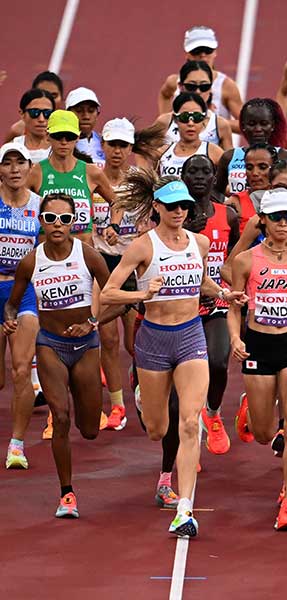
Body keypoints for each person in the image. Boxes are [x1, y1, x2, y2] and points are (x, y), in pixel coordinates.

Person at [101, 173, 245, 537]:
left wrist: (224, 295)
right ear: (158, 208)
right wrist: (142, 296)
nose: (179, 211)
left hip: (189, 335)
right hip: (153, 339)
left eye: (184, 205)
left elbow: (200, 282)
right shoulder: (142, 247)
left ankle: (184, 508)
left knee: (189, 422)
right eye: (172, 206)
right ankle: (142, 394)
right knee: (156, 429)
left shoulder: (199, 243)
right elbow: (108, 294)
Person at [3, 193, 114, 517]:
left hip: (85, 347)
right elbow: (14, 300)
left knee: (90, 428)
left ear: (73, 222)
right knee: (60, 417)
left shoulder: (88, 256)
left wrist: (92, 322)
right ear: (41, 222)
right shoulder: (31, 261)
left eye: (64, 220)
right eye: (50, 219)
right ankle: (67, 494)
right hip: (50, 344)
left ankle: (89, 415)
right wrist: (10, 317)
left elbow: (114, 297)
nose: (57, 226)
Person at [227, 188, 287, 531]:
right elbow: (234, 305)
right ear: (263, 220)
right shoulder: (246, 261)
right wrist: (236, 337)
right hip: (258, 345)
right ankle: (251, 412)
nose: (283, 224)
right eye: (277, 218)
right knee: (266, 433)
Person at [93, 119, 150, 431]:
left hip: (131, 264)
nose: (117, 151)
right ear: (104, 145)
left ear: (130, 148)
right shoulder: (92, 177)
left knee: (133, 341)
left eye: (123, 145)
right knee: (108, 336)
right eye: (112, 144)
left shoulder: (140, 180)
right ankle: (117, 405)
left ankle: (140, 382)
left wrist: (143, 228)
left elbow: (154, 217)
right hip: (101, 261)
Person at [182, 155, 241, 455]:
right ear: (183, 176)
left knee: (218, 362)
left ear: (215, 176)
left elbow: (234, 256)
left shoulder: (228, 215)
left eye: (206, 171)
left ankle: (213, 413)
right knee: (185, 378)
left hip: (216, 300)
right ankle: (188, 438)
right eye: (193, 171)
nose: (200, 177)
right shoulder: (175, 214)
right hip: (181, 303)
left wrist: (226, 286)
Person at [1, 142, 43, 469]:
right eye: (7, 163)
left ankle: (17, 444)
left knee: (21, 368)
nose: (14, 169)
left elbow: (45, 255)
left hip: (24, 292)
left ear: (29, 168)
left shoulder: (41, 207)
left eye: (20, 163)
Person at [26, 110, 118, 244]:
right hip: (47, 256)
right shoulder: (36, 172)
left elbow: (117, 203)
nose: (64, 142)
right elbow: (17, 203)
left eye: (69, 136)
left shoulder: (91, 172)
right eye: (58, 136)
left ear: (77, 137)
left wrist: (114, 225)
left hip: (83, 256)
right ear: (48, 136)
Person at [158, 26, 244, 125]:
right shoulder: (173, 81)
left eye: (208, 50)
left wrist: (213, 123)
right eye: (197, 51)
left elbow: (245, 124)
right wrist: (165, 122)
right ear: (187, 53)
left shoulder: (225, 86)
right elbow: (164, 95)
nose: (202, 55)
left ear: (215, 52)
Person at [216, 98, 287, 196]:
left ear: (272, 126)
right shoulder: (229, 157)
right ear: (243, 125)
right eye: (252, 124)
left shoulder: (284, 157)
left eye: (264, 124)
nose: (258, 129)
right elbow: (217, 192)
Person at [155, 61, 232, 150]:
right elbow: (144, 150)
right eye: (191, 86)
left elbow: (229, 161)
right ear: (180, 86)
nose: (198, 91)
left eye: (204, 86)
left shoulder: (220, 125)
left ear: (211, 88)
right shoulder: (164, 122)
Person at [153, 94, 224, 180]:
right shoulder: (162, 153)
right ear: (175, 119)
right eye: (184, 117)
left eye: (197, 117)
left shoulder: (215, 153)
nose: (191, 123)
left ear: (204, 120)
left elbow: (227, 186)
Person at [225, 144, 279, 233]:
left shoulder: (286, 199)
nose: (255, 173)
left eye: (262, 167)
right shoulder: (233, 203)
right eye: (249, 168)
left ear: (275, 168)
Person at [5, 72, 64, 145]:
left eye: (54, 95)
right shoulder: (18, 130)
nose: (47, 100)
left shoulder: (71, 126)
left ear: (62, 98)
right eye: (41, 95)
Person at [65, 87, 106, 167]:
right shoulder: (60, 143)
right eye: (79, 111)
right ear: (68, 113)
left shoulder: (106, 144)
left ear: (97, 114)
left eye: (91, 111)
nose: (86, 116)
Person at [13, 89, 55, 162]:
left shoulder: (61, 147)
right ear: (22, 114)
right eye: (34, 112)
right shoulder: (13, 148)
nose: (41, 119)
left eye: (47, 113)